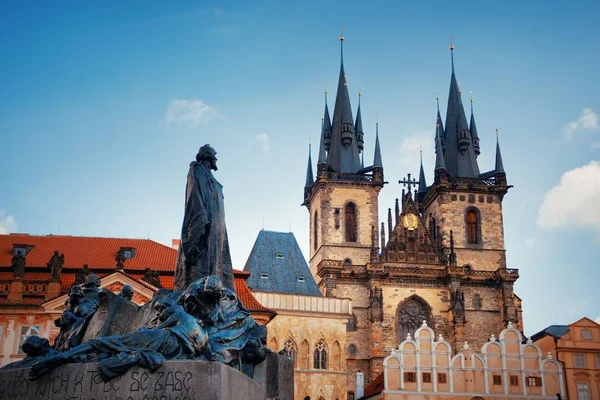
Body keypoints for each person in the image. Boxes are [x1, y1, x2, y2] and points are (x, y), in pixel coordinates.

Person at [174, 144, 234, 291]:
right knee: (201, 268)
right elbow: (195, 201)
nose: (216, 158)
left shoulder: (211, 178)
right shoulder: (196, 170)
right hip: (205, 226)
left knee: (216, 266)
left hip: (217, 231)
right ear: (208, 156)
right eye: (215, 155)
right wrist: (196, 230)